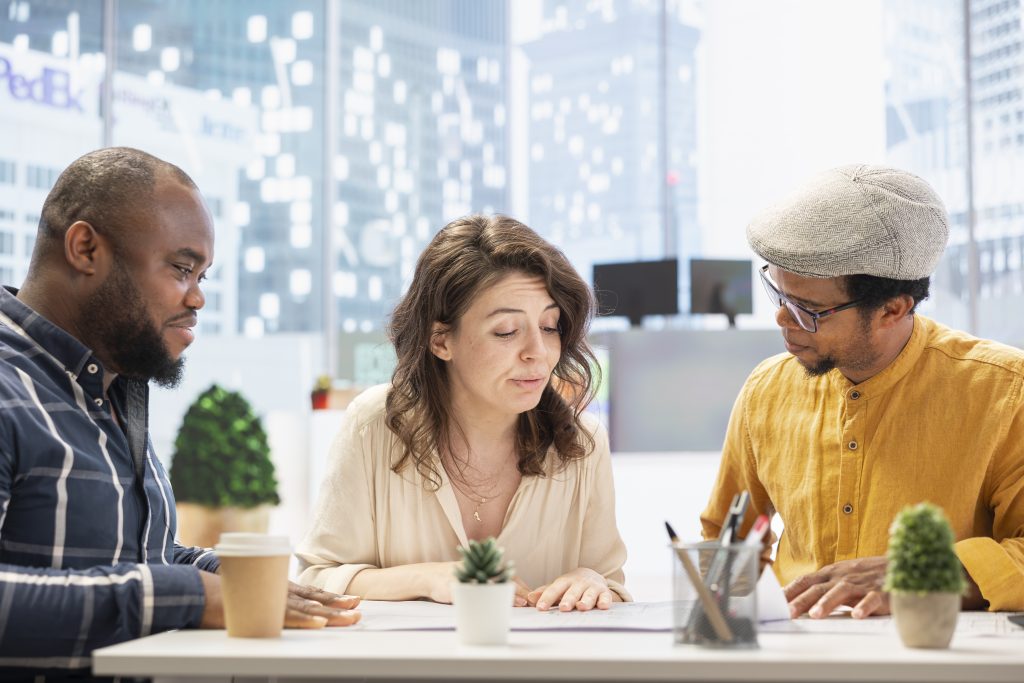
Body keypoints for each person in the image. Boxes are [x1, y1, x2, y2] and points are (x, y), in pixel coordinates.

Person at [0, 148, 359, 679]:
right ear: (84, 248)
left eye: (203, 276)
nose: (198, 299)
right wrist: (188, 594)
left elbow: (138, 556)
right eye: (182, 268)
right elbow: (149, 586)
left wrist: (228, 576)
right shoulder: (10, 388)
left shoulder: (115, 391)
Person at [701, 163, 1024, 620]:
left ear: (893, 309)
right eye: (779, 295)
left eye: (808, 310)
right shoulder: (765, 390)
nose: (782, 320)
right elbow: (729, 535)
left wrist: (923, 576)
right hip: (794, 657)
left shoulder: (1005, 391)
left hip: (936, 659)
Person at [297, 214, 629, 611]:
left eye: (550, 327)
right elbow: (318, 579)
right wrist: (428, 577)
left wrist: (591, 580)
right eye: (507, 331)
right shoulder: (374, 425)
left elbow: (611, 586)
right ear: (440, 340)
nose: (537, 353)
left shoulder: (583, 444)